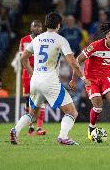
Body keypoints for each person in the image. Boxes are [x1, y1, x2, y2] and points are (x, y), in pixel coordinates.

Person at [9, 12, 89, 145]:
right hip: (50, 81)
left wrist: (31, 72)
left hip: (35, 81)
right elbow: (73, 62)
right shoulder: (60, 39)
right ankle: (63, 137)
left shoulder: (36, 39)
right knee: (72, 112)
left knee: (32, 114)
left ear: (46, 24)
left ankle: (15, 130)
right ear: (59, 25)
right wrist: (83, 77)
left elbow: (23, 58)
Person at [19, 20, 47, 136]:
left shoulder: (46, 40)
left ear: (42, 28)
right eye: (35, 26)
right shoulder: (24, 40)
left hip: (41, 72)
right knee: (28, 100)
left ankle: (39, 128)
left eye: (39, 26)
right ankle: (31, 126)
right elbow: (22, 56)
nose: (37, 28)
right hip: (28, 73)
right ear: (31, 28)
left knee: (41, 99)